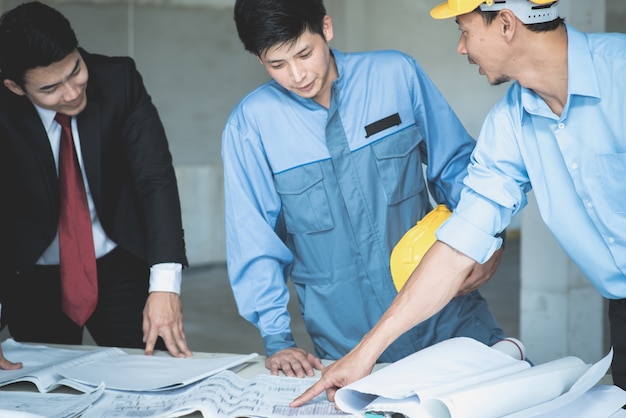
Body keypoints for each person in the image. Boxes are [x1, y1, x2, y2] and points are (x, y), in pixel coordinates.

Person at [292, 0, 626, 407]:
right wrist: (366, 353)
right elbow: (458, 246)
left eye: (464, 30)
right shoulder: (510, 125)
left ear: (505, 23)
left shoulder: (620, 74)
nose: (461, 48)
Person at [222, 0, 507, 379]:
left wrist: (489, 240)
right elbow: (253, 237)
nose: (297, 75)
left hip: (446, 313)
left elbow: (456, 165)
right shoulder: (251, 127)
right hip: (349, 340)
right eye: (277, 65)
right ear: (260, 61)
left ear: (326, 27)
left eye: (304, 54)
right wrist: (277, 338)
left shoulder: (394, 75)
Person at [0, 1, 192, 369]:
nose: (72, 93)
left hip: (117, 262)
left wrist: (165, 285)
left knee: (155, 376)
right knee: (43, 395)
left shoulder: (119, 79)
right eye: (51, 87)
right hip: (30, 274)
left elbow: (155, 178)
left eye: (75, 70)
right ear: (15, 86)